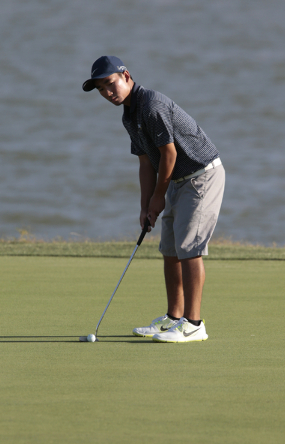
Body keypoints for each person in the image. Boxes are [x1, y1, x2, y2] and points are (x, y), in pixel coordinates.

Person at [83, 56, 225, 343]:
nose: (108, 93)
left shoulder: (151, 104)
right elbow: (146, 163)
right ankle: (174, 318)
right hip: (175, 179)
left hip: (200, 176)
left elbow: (169, 154)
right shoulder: (128, 114)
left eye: (110, 84)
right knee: (170, 249)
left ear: (126, 76)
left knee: (189, 248)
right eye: (101, 90)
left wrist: (158, 198)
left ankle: (194, 324)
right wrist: (145, 205)